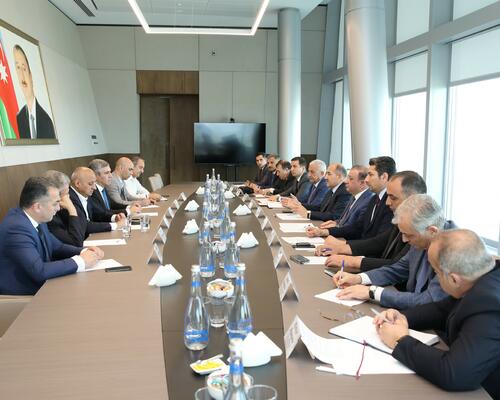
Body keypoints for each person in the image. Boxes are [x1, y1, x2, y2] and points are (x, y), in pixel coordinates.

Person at [374, 229, 499, 398]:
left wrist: (400, 341)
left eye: (437, 272)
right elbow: (443, 309)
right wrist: (403, 317)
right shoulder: (484, 275)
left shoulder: (489, 303)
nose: (437, 278)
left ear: (454, 279)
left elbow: (454, 374)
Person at [333, 194, 452, 310]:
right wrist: (358, 278)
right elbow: (397, 269)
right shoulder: (422, 236)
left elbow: (428, 300)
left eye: (408, 235)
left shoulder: (453, 251)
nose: (404, 240)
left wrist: (373, 292)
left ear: (432, 231)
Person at [0, 177, 103, 295]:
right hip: (24, 295)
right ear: (37, 207)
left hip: (43, 286)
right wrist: (81, 261)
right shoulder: (16, 228)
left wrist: (84, 251)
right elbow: (39, 271)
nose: (58, 208)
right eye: (55, 203)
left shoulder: (37, 218)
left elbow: (57, 247)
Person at [321, 171, 427, 271]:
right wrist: (341, 248)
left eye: (393, 198)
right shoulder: (399, 218)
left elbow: (397, 266)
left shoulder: (420, 228)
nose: (387, 202)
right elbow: (379, 242)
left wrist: (352, 261)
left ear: (413, 198)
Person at [318, 156, 396, 240]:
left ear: (384, 177)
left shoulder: (388, 203)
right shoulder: (374, 199)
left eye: (370, 175)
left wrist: (345, 245)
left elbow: (378, 240)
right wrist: (330, 229)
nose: (366, 180)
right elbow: (358, 227)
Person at [308, 165, 373, 230]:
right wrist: (336, 223)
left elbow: (354, 229)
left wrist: (328, 231)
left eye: (350, 179)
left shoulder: (367, 201)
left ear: (362, 183)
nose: (345, 181)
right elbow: (344, 220)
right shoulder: (353, 196)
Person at [13, 45, 56, 139]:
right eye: (18, 68)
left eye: (24, 68)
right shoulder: (19, 118)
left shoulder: (47, 120)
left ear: (30, 76)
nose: (22, 75)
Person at [69, 167, 126, 235]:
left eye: (95, 183)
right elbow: (84, 225)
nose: (94, 188)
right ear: (77, 184)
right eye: (90, 184)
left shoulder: (85, 194)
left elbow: (98, 214)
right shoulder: (70, 198)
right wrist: (116, 225)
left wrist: (114, 217)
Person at [44, 170, 86, 247]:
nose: (68, 197)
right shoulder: (49, 218)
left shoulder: (62, 208)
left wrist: (72, 209)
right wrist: (72, 210)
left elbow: (84, 227)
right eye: (66, 194)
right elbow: (76, 242)